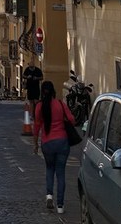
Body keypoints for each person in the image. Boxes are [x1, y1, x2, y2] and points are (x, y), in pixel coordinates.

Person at [33, 80, 76, 214]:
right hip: (62, 141)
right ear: (53, 91)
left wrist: (35, 144)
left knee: (50, 169)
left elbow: (36, 126)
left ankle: (49, 195)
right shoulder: (60, 104)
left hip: (47, 143)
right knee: (61, 173)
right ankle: (60, 206)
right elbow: (72, 120)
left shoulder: (39, 106)